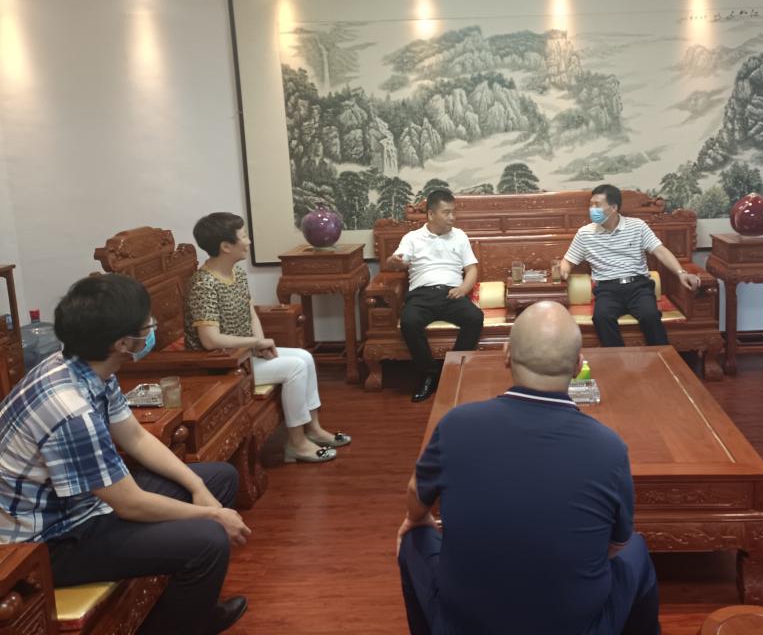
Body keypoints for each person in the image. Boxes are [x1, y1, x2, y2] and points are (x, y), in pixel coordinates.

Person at [0, 274, 250, 635]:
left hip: (83, 506)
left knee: (218, 478)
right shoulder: (70, 411)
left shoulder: (85, 366)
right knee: (209, 541)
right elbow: (130, 505)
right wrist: (212, 514)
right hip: (49, 542)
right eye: (146, 325)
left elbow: (134, 436)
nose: (152, 329)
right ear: (122, 342)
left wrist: (198, 488)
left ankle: (188, 610)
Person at [396, 301, 660, 635]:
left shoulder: (456, 424)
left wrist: (415, 519)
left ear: (506, 354)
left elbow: (417, 492)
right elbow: (617, 543)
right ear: (578, 365)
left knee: (414, 539)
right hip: (575, 625)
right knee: (637, 549)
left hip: (467, 623)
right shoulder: (609, 447)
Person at [186, 212, 349, 464]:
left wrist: (260, 343)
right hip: (222, 364)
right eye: (243, 236)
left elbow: (250, 312)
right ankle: (296, 444)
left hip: (245, 355)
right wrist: (255, 343)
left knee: (305, 357)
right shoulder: (203, 284)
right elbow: (210, 340)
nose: (248, 242)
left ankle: (314, 429)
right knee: (294, 367)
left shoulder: (237, 273)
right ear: (226, 246)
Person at [560, 184, 701, 347]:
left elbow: (660, 251)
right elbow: (568, 261)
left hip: (638, 286)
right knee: (601, 317)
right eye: (591, 205)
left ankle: (662, 356)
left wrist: (681, 273)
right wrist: (563, 270)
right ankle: (617, 358)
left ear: (613, 207)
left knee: (650, 315)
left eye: (597, 205)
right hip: (607, 289)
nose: (592, 209)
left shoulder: (637, 226)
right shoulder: (585, 233)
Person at [385, 189, 483, 403]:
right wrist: (394, 262)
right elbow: (399, 260)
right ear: (430, 214)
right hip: (421, 295)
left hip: (452, 294)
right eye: (446, 213)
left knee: (475, 317)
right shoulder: (412, 238)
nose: (452, 217)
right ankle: (429, 374)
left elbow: (472, 269)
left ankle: (453, 372)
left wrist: (463, 289)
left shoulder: (459, 236)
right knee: (409, 322)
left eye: (453, 212)